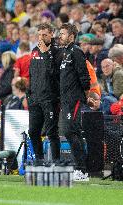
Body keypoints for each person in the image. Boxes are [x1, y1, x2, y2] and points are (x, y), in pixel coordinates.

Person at [59, 23, 90, 175]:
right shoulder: (64, 52)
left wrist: (86, 95)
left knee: (70, 131)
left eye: (63, 33)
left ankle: (81, 169)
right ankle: (81, 168)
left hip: (74, 98)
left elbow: (85, 77)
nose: (60, 36)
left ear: (71, 36)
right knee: (73, 132)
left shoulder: (76, 52)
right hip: (65, 99)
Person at [28, 23, 60, 166]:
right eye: (39, 35)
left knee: (52, 133)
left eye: (44, 35)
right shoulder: (34, 51)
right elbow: (32, 74)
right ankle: (39, 161)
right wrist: (29, 95)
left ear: (52, 34)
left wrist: (46, 54)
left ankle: (56, 163)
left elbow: (55, 74)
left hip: (50, 99)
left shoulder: (57, 51)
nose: (41, 38)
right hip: (35, 99)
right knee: (33, 131)